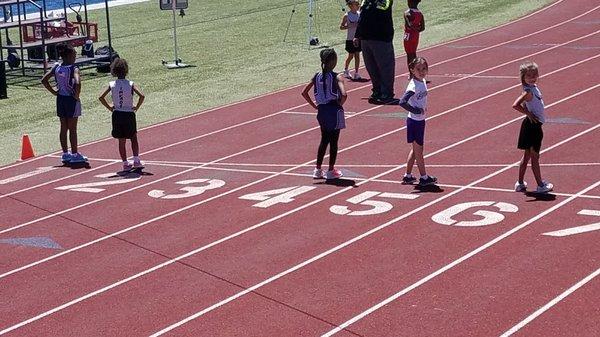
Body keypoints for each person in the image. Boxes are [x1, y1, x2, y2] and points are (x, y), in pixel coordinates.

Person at [301, 48, 347, 180]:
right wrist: (339, 105)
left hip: (321, 111)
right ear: (332, 61)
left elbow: (304, 92)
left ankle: (318, 169)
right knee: (334, 142)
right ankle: (331, 170)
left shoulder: (317, 76)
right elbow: (344, 94)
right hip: (333, 110)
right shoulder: (337, 76)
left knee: (324, 139)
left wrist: (315, 105)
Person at [41, 43, 88, 164]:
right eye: (74, 54)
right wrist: (76, 96)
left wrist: (54, 92)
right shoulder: (74, 68)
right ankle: (75, 154)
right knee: (73, 128)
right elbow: (77, 82)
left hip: (60, 99)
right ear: (69, 55)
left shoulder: (56, 67)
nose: (75, 57)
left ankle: (65, 154)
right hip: (71, 100)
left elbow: (44, 80)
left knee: (63, 127)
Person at [512, 61, 553, 193]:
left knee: (526, 156)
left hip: (531, 126)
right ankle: (540, 185)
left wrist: (527, 110)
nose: (532, 77)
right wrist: (528, 113)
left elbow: (525, 104)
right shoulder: (528, 91)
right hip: (533, 127)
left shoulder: (532, 88)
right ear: (523, 77)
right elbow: (516, 105)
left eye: (534, 75)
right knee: (534, 157)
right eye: (529, 76)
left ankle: (520, 183)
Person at [98, 58, 146, 171]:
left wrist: (110, 107)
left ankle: (125, 163)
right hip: (129, 113)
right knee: (133, 137)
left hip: (117, 114)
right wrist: (136, 107)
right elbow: (142, 95)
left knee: (121, 140)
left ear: (114, 71)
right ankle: (136, 160)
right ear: (126, 70)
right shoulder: (130, 84)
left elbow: (101, 97)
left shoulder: (111, 84)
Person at [398, 57, 436, 186]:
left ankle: (407, 175)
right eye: (418, 69)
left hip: (420, 121)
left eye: (424, 68)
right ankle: (424, 177)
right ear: (412, 70)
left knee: (415, 150)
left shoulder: (423, 81)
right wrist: (416, 110)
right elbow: (402, 102)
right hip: (415, 122)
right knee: (419, 151)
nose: (422, 71)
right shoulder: (413, 86)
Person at [353, 0, 396, 104]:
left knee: (385, 68)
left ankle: (386, 93)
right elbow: (362, 17)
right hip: (365, 38)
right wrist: (357, 35)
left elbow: (380, 11)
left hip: (381, 38)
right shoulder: (365, 1)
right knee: (371, 67)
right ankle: (377, 90)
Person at [340, 0, 362, 80]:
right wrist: (349, 26)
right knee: (351, 55)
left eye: (357, 4)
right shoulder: (347, 15)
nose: (358, 5)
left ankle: (356, 73)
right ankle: (346, 69)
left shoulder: (360, 14)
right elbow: (341, 27)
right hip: (350, 39)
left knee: (357, 55)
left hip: (358, 39)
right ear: (351, 6)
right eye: (356, 4)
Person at [403, 0, 425, 76]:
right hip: (416, 35)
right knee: (414, 53)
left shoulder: (407, 13)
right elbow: (422, 28)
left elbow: (409, 25)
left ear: (410, 2)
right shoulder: (420, 14)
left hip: (408, 35)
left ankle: (411, 73)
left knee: (409, 54)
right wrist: (416, 30)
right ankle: (416, 71)